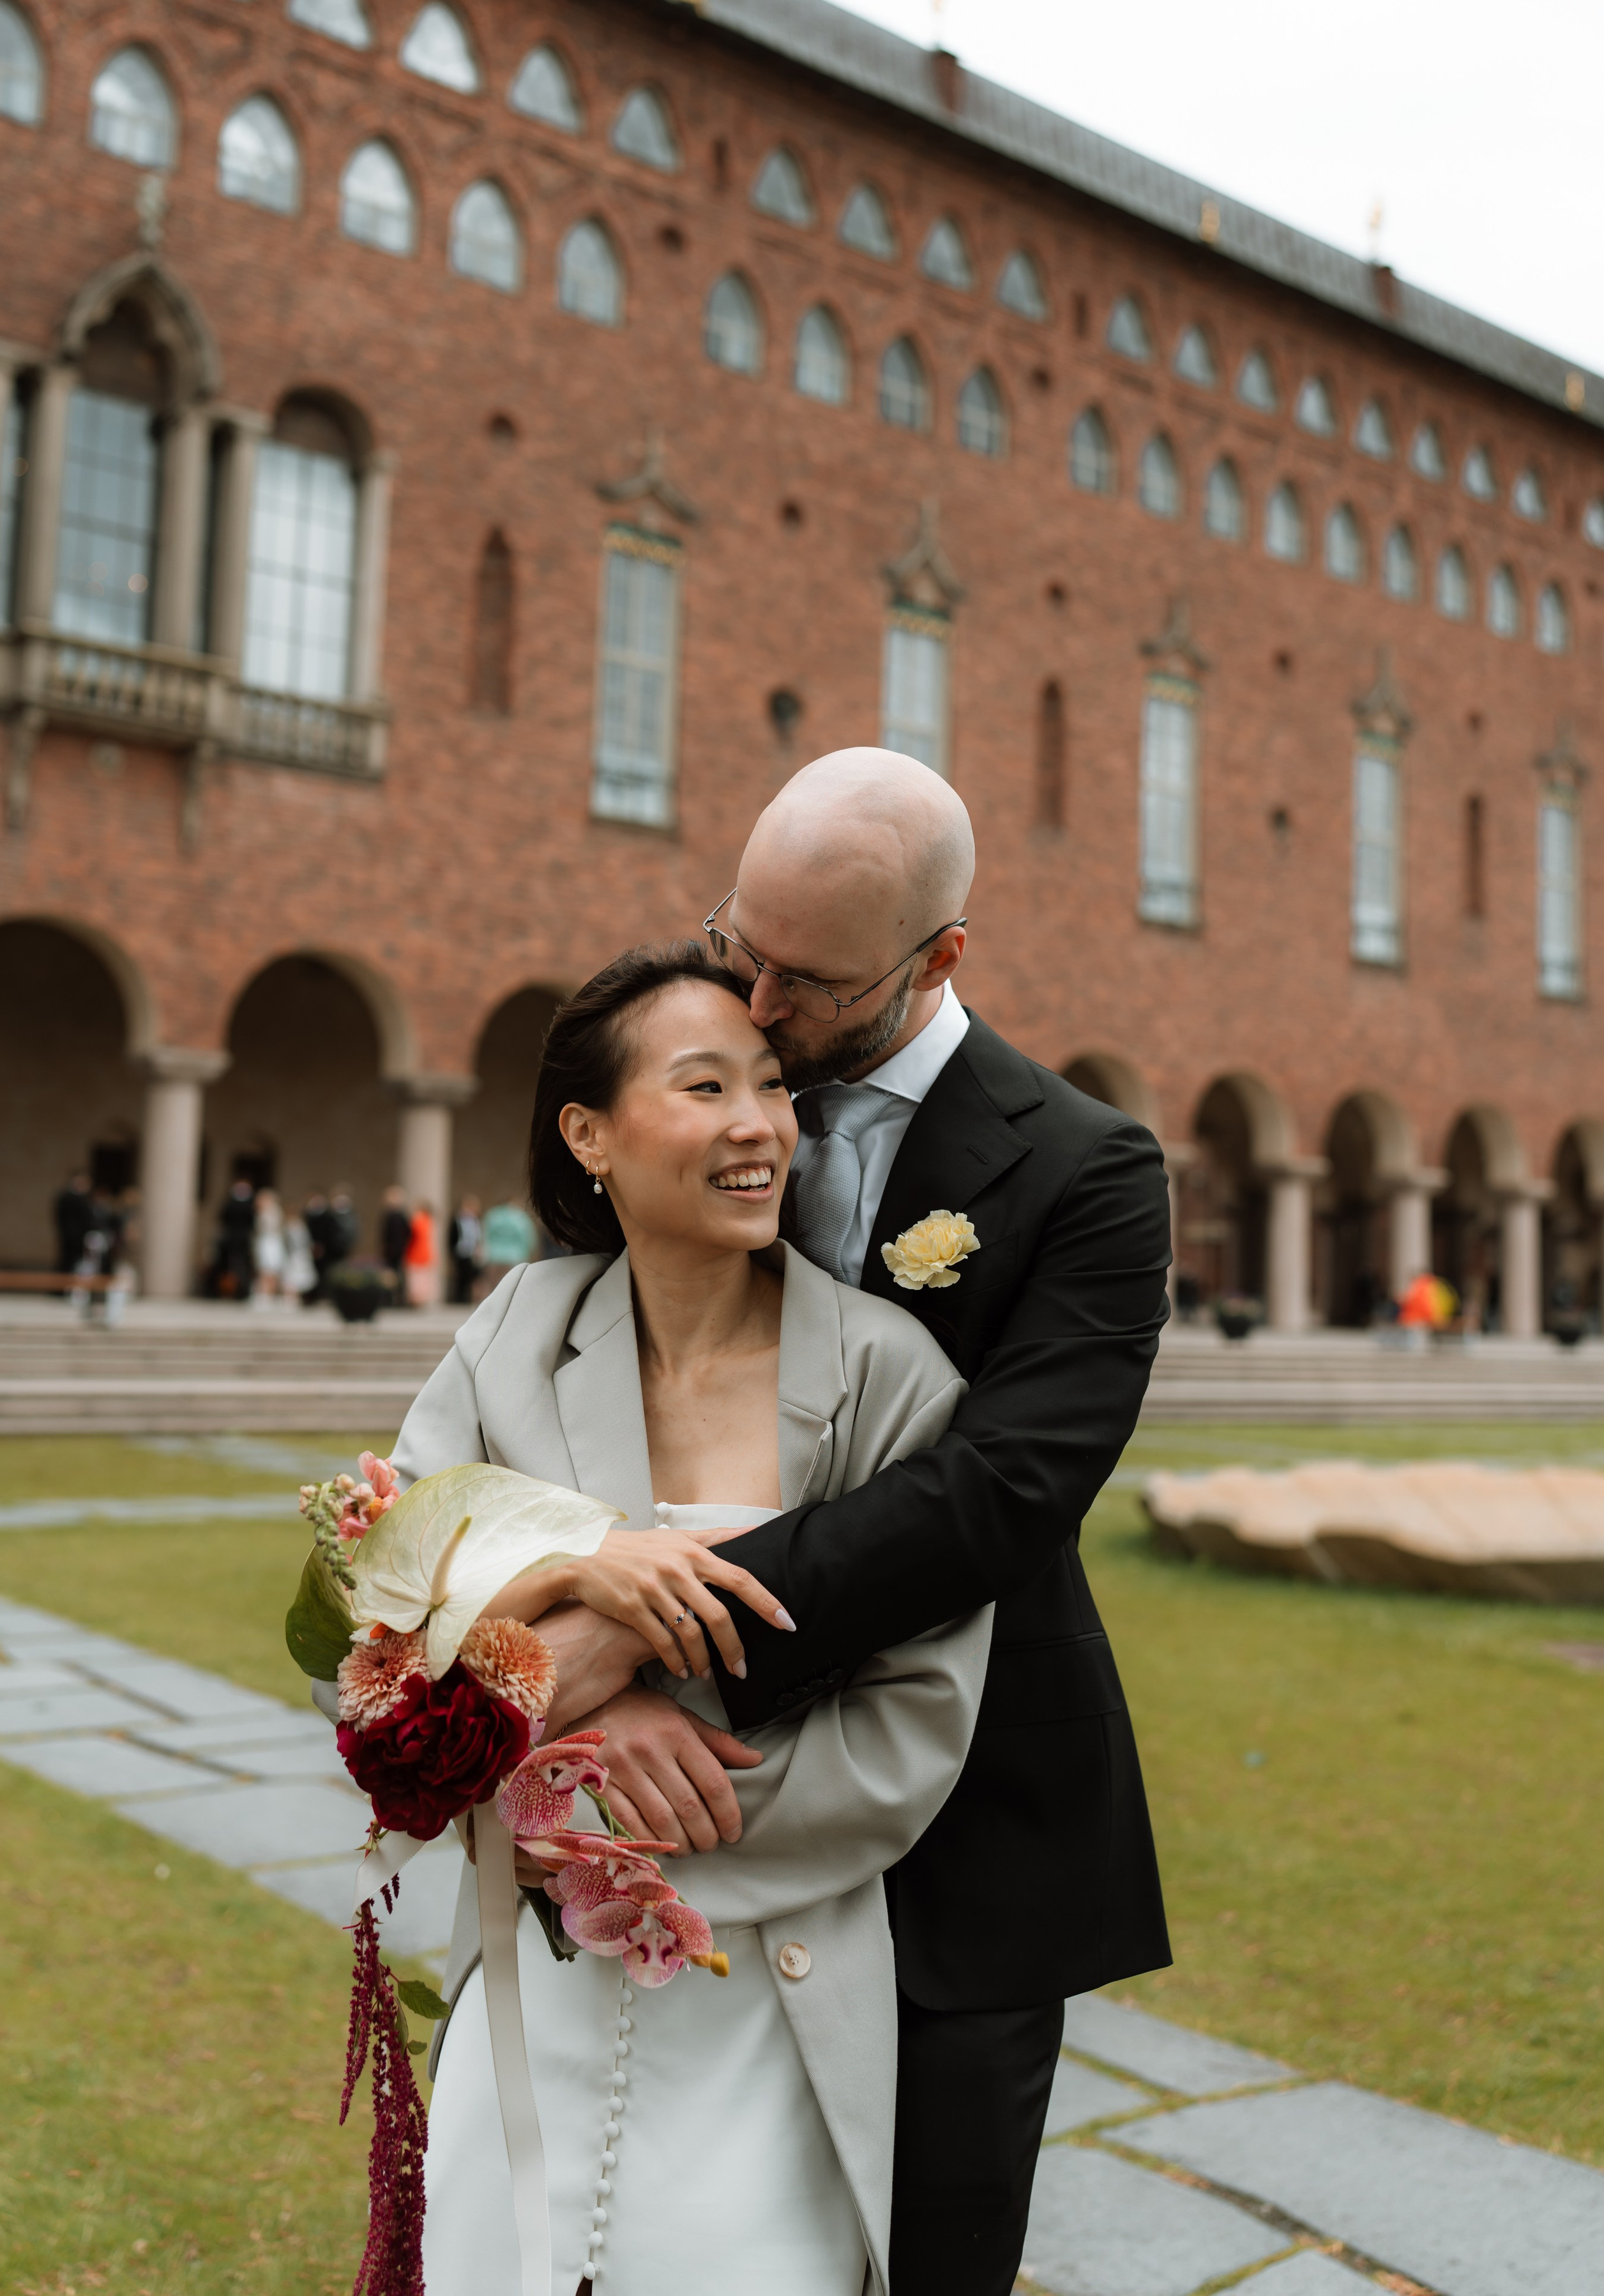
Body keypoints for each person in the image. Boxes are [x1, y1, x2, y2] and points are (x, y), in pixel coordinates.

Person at [528, 748, 1172, 2296]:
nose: (748, 1004)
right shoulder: (711, 1066)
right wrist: (558, 1605)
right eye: (734, 938)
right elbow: (574, 1348)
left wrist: (649, 1633)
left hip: (967, 1824)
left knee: (928, 2254)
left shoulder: (1089, 1170)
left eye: (802, 979)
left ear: (936, 957)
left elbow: (996, 1495)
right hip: (685, 1809)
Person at [392, 946, 991, 2296]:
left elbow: (914, 1720)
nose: (755, 1125)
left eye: (772, 1088)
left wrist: (634, 1825)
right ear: (588, 1133)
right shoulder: (513, 1335)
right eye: (704, 1085)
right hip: (532, 1976)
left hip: (765, 1992)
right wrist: (578, 1582)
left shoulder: (887, 1379)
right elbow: (378, 1629)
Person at [215, 1178, 255, 1299]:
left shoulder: (232, 1203)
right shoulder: (246, 1204)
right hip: (237, 1239)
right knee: (232, 1265)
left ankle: (237, 1290)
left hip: (236, 1239)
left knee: (238, 1265)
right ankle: (231, 1289)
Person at [54, 1172, 94, 1274]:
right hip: (72, 1237)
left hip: (76, 1236)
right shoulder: (72, 1198)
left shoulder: (71, 1198)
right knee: (68, 1261)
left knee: (75, 1262)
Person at [252, 1187, 285, 1306]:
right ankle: (264, 1293)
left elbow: (272, 1228)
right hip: (264, 1242)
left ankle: (269, 1294)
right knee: (264, 1269)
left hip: (271, 1242)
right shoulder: (262, 1211)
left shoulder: (273, 1211)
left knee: (270, 1269)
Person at [448, 1194, 484, 1304]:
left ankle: (468, 1297)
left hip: (472, 1252)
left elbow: (478, 1236)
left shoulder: (475, 1221)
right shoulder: (458, 1220)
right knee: (460, 1275)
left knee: (472, 1276)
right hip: (461, 1251)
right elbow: (452, 1237)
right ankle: (459, 1297)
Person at [404, 1198, 439, 1306]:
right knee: (423, 1278)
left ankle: (417, 1300)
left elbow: (411, 1237)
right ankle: (420, 1299)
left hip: (416, 1253)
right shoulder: (429, 1220)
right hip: (426, 1253)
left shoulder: (418, 1220)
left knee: (417, 1279)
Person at [379, 1185, 412, 1297]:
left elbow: (408, 1232)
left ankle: (400, 1295)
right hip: (390, 1249)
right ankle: (389, 1295)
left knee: (399, 1272)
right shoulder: (388, 1215)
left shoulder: (401, 1216)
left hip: (399, 1249)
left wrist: (402, 1245)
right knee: (390, 1273)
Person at [281, 1205, 316, 1305]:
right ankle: (291, 1297)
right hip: (293, 1255)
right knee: (290, 1276)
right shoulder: (289, 1227)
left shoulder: (299, 1227)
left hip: (298, 1255)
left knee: (297, 1276)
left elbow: (305, 1242)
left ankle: (295, 1297)